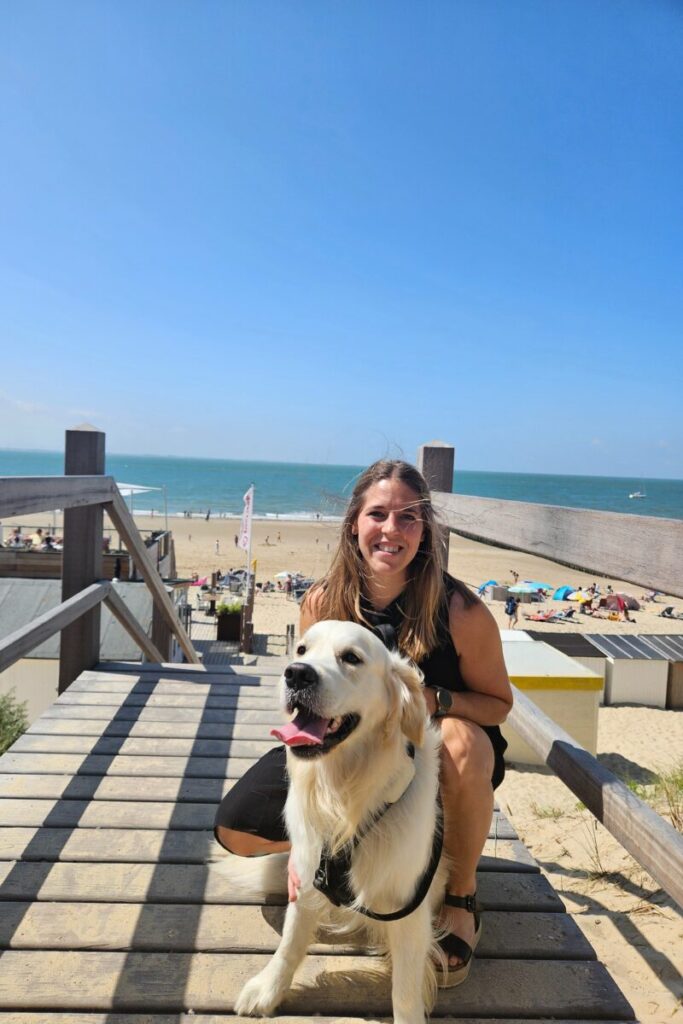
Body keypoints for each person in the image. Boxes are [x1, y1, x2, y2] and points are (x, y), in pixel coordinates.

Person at [213, 459, 512, 986]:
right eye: (378, 514)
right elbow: (305, 702)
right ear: (354, 523)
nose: (391, 530)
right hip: (343, 745)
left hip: (431, 747)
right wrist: (304, 847)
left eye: (408, 519)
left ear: (426, 532)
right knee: (235, 829)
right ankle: (332, 864)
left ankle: (459, 894)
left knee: (463, 742)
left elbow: (497, 704)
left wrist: (435, 701)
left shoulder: (462, 611)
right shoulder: (324, 600)